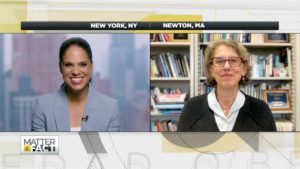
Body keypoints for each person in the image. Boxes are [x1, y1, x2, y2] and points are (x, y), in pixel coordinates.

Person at [177, 39, 276, 132]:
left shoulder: (261, 110)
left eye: (233, 60)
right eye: (219, 61)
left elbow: (272, 149)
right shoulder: (192, 108)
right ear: (211, 70)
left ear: (244, 69)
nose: (227, 67)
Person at [31, 37, 120, 131]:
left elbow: (109, 146)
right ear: (60, 67)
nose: (76, 72)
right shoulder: (42, 106)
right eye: (69, 65)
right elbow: (35, 145)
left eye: (83, 64)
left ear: (91, 67)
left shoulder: (110, 108)